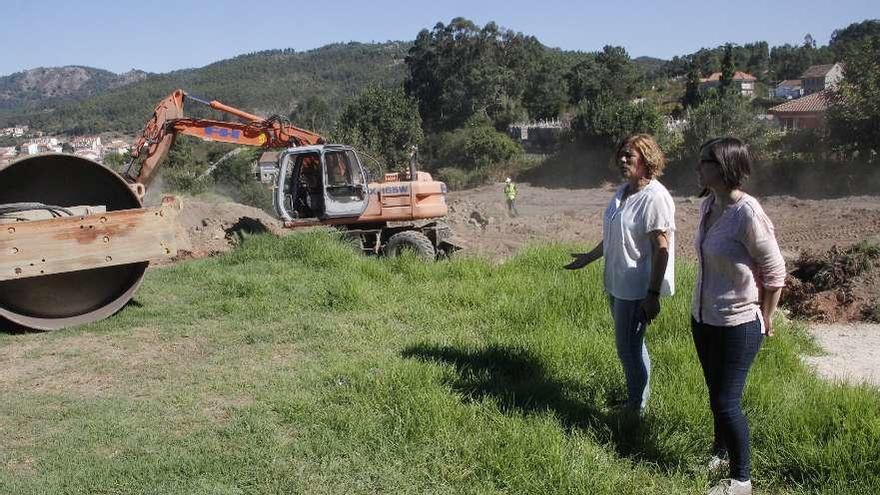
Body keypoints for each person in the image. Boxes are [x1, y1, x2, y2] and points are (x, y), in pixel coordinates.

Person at [691, 137, 786, 495]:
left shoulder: (748, 213)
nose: (698, 167)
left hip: (738, 323)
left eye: (705, 161)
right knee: (715, 392)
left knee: (726, 401)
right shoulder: (709, 206)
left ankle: (742, 479)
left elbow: (775, 272)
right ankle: (719, 453)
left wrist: (767, 316)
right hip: (704, 318)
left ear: (725, 167)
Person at [564, 133, 675, 417]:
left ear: (647, 160)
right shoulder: (624, 192)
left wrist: (653, 295)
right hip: (617, 283)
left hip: (636, 289)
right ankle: (639, 401)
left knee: (627, 350)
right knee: (635, 346)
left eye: (630, 155)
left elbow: (661, 249)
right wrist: (588, 257)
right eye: (621, 155)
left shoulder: (654, 198)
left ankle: (635, 409)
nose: (623, 160)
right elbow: (614, 236)